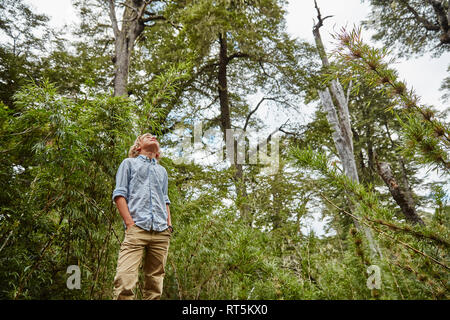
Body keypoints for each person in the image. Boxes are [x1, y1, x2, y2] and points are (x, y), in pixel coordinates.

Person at [111, 133, 173, 300]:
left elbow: (165, 200)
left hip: (161, 231)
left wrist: (169, 225)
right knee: (125, 279)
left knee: (155, 285)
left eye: (154, 137)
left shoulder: (162, 171)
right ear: (137, 146)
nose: (152, 137)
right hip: (137, 228)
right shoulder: (128, 164)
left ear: (158, 151)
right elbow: (119, 195)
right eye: (146, 136)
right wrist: (130, 223)